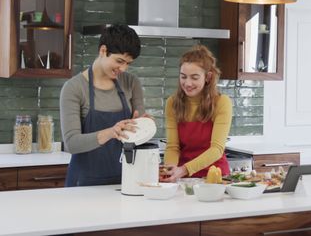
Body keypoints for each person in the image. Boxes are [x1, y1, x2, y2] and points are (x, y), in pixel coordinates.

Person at [60, 24, 145, 186]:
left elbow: (136, 134)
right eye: (119, 61)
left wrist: (144, 124)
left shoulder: (131, 83)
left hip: (124, 181)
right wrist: (111, 132)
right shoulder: (74, 88)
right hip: (83, 183)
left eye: (128, 63)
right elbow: (72, 143)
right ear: (103, 51)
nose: (123, 68)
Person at [161, 45, 232, 182]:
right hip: (184, 179)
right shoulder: (172, 103)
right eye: (183, 77)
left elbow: (216, 149)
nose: (187, 83)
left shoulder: (222, 102)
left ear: (208, 77)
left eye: (194, 77)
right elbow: (172, 146)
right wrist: (169, 171)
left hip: (215, 178)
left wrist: (183, 170)